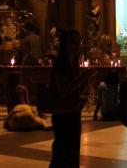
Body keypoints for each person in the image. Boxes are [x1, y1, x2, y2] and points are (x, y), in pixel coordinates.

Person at [49, 28, 94, 167]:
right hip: (63, 114)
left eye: (78, 42)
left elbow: (75, 88)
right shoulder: (61, 63)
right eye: (72, 42)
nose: (76, 45)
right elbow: (63, 91)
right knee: (63, 153)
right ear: (65, 44)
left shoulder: (72, 63)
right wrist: (83, 77)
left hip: (72, 111)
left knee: (72, 152)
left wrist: (87, 84)